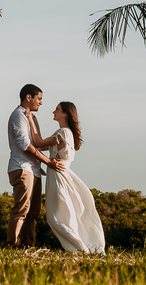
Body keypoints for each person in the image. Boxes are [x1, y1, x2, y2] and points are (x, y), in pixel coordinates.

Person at [34, 101, 106, 253]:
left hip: (59, 177)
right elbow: (39, 146)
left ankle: (80, 248)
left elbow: (37, 142)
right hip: (59, 175)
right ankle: (80, 247)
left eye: (57, 109)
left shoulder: (63, 132)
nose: (53, 111)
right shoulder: (64, 133)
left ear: (65, 114)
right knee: (62, 216)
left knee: (57, 218)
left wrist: (31, 120)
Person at [7, 84, 65, 246]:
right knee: (21, 209)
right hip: (22, 167)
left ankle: (27, 246)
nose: (41, 102)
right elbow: (25, 145)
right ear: (28, 97)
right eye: (39, 99)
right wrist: (48, 162)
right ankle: (12, 245)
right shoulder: (18, 115)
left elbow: (37, 144)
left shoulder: (30, 117)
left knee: (33, 212)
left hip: (34, 170)